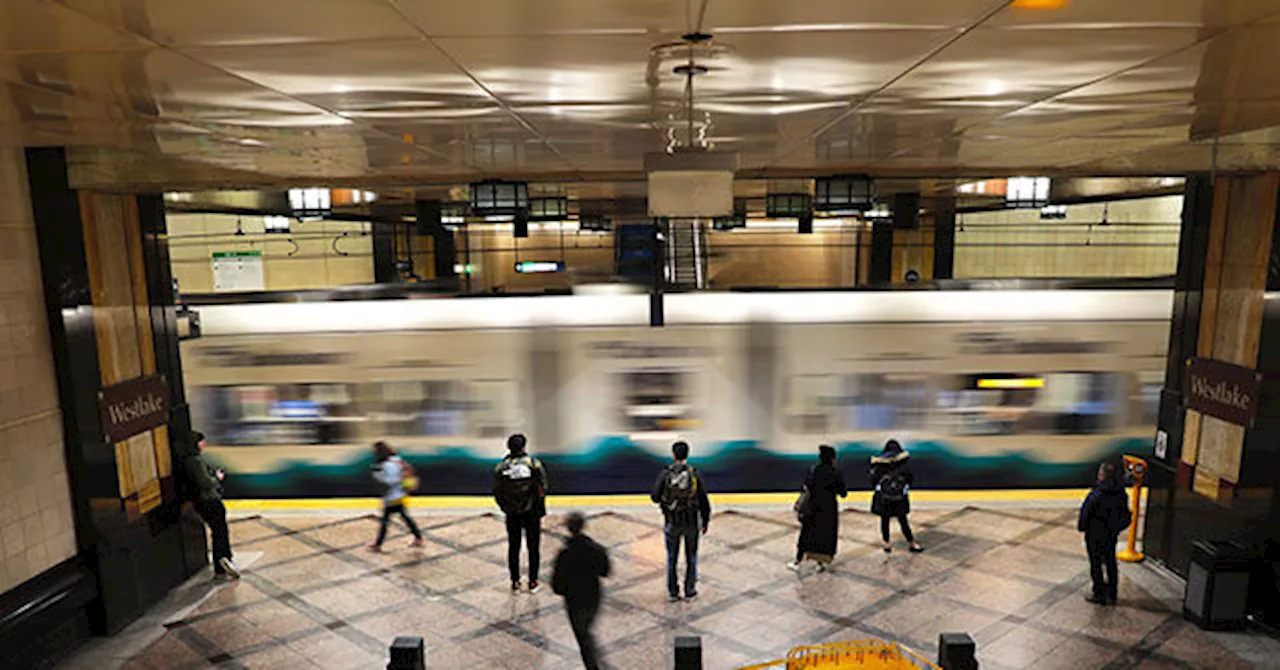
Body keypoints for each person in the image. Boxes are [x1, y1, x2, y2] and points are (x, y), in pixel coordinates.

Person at [650, 441, 711, 602]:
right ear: (687, 455)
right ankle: (690, 591)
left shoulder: (665, 473)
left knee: (672, 558)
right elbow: (704, 500)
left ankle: (673, 592)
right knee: (691, 557)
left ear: (673, 455)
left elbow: (655, 497)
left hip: (672, 522)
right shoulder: (694, 474)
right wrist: (705, 521)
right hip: (691, 523)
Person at [552, 512, 611, 670]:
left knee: (582, 634)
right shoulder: (596, 549)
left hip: (573, 600)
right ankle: (594, 660)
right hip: (593, 596)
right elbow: (605, 571)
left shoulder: (564, 554)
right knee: (585, 630)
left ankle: (592, 665)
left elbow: (556, 585)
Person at [494, 433, 549, 593]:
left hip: (512, 514)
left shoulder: (501, 467)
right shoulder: (533, 464)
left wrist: (506, 507)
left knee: (514, 547)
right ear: (524, 446)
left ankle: (515, 582)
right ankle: (533, 581)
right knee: (533, 547)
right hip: (532, 512)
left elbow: (497, 492)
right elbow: (543, 487)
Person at [183, 431, 240, 580]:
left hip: (202, 502)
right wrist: (217, 478)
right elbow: (205, 482)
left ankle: (222, 562)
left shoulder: (188, 461)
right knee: (220, 530)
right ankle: (223, 560)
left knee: (218, 530)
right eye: (202, 441)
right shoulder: (195, 461)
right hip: (209, 501)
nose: (204, 444)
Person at [1078, 460, 1131, 605]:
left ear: (1103, 476)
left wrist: (1082, 527)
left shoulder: (1096, 495)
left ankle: (1099, 592)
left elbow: (1085, 514)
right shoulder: (1121, 494)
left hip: (1094, 534)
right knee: (1110, 562)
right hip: (1111, 534)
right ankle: (1112, 593)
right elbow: (1126, 515)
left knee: (1096, 563)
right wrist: (1116, 528)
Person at [788, 445, 848, 572]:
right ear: (832, 458)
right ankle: (821, 563)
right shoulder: (836, 473)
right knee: (825, 535)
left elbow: (807, 486)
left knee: (807, 534)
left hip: (813, 508)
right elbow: (843, 493)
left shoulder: (814, 470)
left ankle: (797, 561)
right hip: (829, 509)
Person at [367, 441, 424, 552]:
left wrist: (378, 476)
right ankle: (418, 538)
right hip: (399, 494)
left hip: (393, 497)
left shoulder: (387, 465)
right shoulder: (396, 460)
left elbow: (392, 480)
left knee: (385, 521)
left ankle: (378, 545)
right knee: (405, 518)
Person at [869, 439, 924, 554]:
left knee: (885, 520)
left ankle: (887, 544)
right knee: (903, 521)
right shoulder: (903, 464)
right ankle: (912, 543)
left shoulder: (879, 464)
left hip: (884, 498)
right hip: (900, 498)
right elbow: (910, 478)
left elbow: (873, 480)